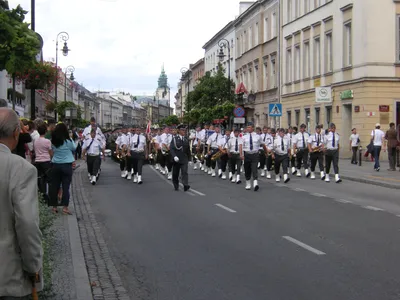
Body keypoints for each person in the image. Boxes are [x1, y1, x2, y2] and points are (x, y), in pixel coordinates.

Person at [0, 108, 43, 299]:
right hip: (7, 275)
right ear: (16, 132)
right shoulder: (20, 169)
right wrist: (33, 266)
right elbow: (26, 223)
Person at [49, 123, 76, 214]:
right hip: (67, 166)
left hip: (55, 165)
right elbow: (74, 148)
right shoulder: (68, 141)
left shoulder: (53, 141)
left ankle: (54, 207)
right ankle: (65, 208)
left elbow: (51, 150)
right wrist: (71, 138)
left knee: (54, 187)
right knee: (66, 187)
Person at [34, 123, 53, 199]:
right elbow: (50, 152)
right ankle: (49, 196)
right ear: (45, 131)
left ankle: (42, 195)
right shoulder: (47, 141)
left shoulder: (35, 141)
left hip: (38, 161)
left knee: (40, 179)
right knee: (49, 179)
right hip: (46, 161)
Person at [170, 124, 191, 191]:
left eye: (184, 130)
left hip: (184, 158)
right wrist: (174, 156)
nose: (184, 131)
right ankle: (176, 185)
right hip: (177, 159)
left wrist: (190, 159)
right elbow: (172, 149)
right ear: (178, 131)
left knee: (184, 172)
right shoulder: (175, 139)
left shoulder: (186, 139)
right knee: (175, 173)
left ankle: (185, 185)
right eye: (182, 130)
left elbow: (188, 150)